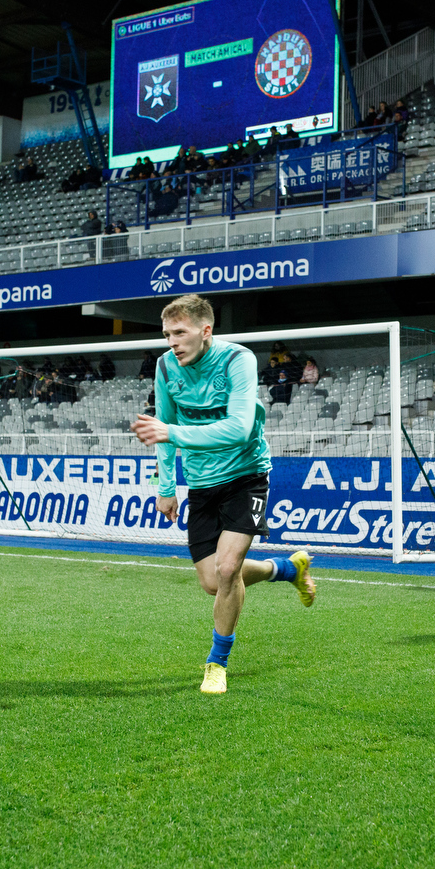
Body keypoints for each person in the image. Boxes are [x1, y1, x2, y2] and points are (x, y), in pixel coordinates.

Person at [131, 294, 317, 695]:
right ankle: (286, 569)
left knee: (229, 569)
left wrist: (172, 433)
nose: (172, 342)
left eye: (180, 333)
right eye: (167, 334)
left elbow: (237, 427)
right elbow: (161, 425)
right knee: (213, 581)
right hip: (201, 486)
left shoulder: (238, 360)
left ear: (206, 330)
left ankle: (217, 663)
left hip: (245, 476)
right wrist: (165, 487)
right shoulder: (165, 367)